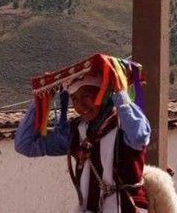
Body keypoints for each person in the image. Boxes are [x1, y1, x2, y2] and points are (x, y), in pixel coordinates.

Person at [15, 54, 151, 212]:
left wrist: (119, 94)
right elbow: (25, 145)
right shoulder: (76, 132)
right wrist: (41, 100)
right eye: (75, 99)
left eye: (87, 96)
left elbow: (139, 136)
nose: (80, 106)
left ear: (104, 94)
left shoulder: (124, 124)